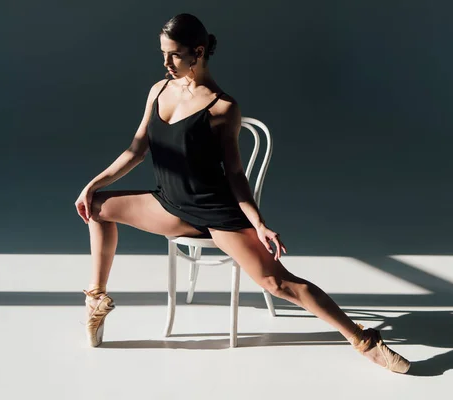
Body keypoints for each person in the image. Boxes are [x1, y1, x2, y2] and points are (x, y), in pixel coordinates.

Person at [74, 13, 410, 374]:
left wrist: (259, 224)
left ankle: (363, 341)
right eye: (163, 54)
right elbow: (136, 150)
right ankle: (97, 299)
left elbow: (234, 174)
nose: (166, 62)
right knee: (94, 206)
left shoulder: (222, 107)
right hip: (169, 205)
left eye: (174, 55)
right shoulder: (158, 90)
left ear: (198, 52)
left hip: (216, 212)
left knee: (278, 282)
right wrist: (95, 183)